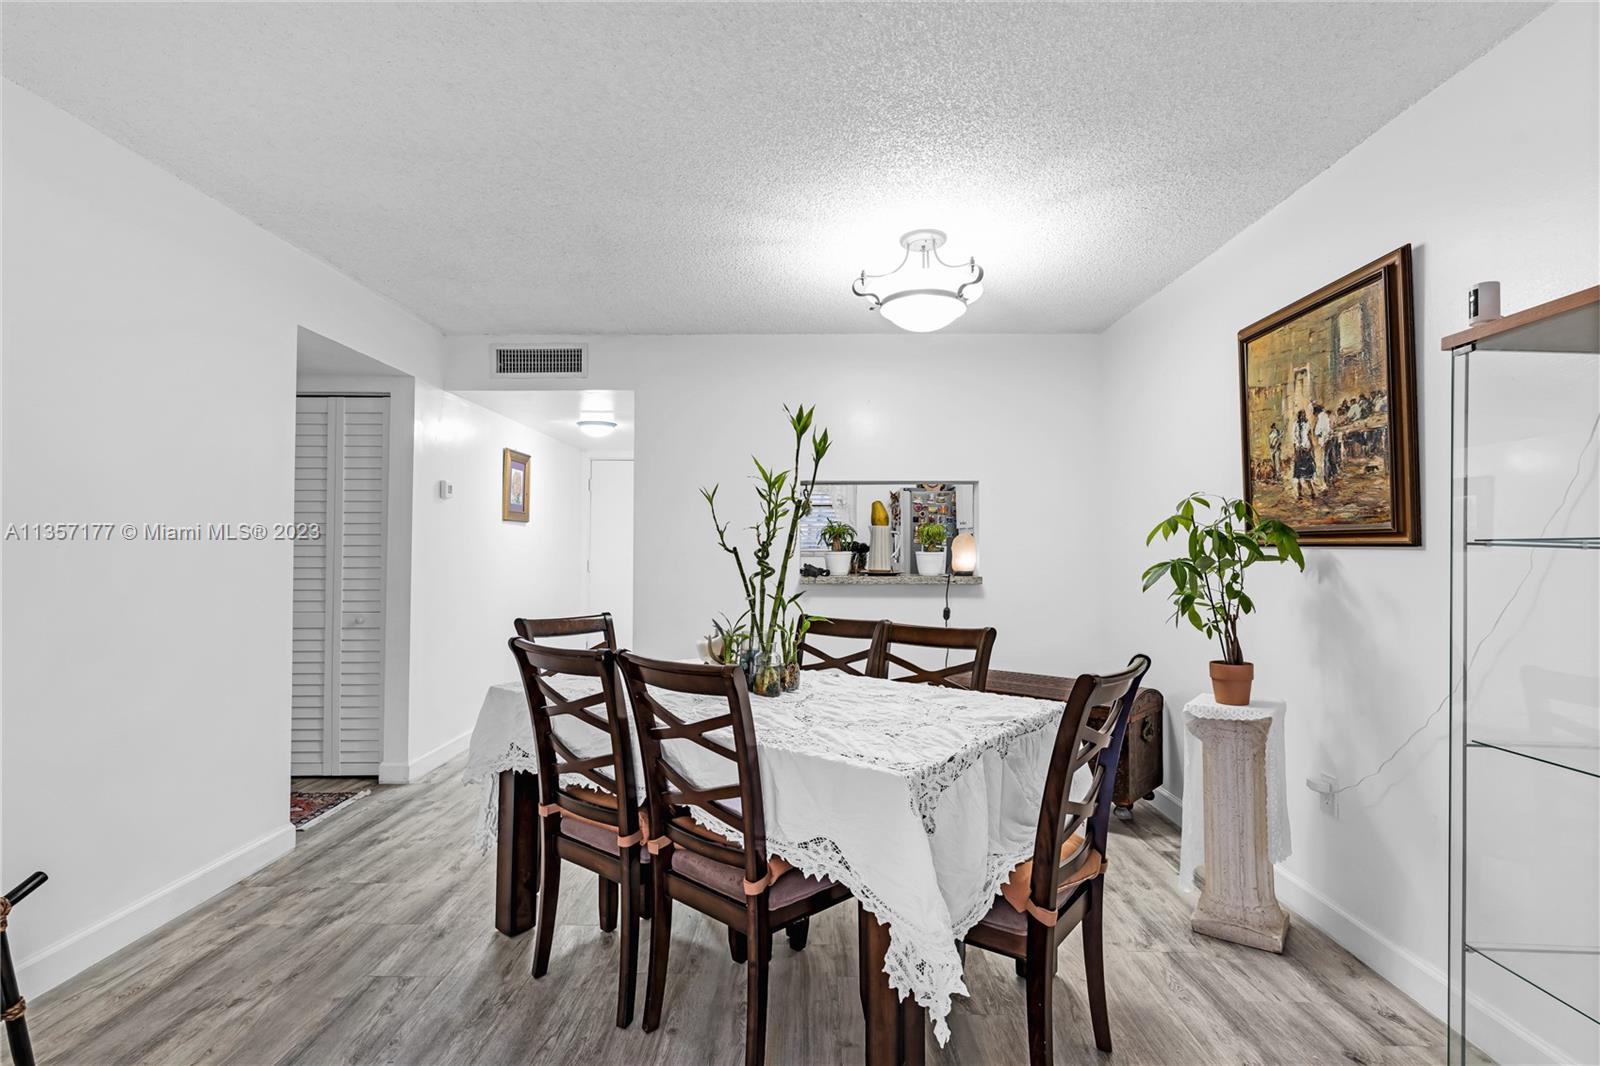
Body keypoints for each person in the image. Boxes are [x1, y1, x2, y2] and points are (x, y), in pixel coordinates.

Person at [1292, 409, 1316, 500]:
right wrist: (1295, 452)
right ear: (1299, 416)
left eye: (1304, 415)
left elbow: (1310, 436)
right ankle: (1299, 493)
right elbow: (1294, 439)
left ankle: (1312, 492)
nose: (1303, 416)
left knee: (1308, 474)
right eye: (1301, 415)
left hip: (1306, 450)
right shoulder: (1295, 425)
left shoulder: (1307, 424)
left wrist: (1312, 449)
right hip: (1299, 451)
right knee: (1298, 475)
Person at [1313, 403, 1335, 484]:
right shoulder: (1326, 416)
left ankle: (1327, 477)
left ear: (1316, 412)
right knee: (1330, 457)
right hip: (1330, 439)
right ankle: (1331, 475)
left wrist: (1319, 434)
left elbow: (1317, 431)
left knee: (1326, 459)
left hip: (1325, 440)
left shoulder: (1321, 418)